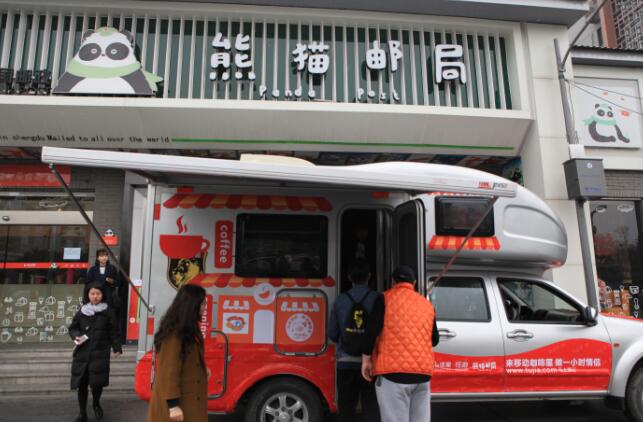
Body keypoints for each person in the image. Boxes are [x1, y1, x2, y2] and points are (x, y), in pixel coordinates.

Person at [361, 265, 440, 422]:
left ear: (392, 281)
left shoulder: (383, 299)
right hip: (422, 376)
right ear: (414, 283)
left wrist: (366, 360)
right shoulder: (427, 305)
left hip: (393, 375)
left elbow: (371, 331)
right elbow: (435, 339)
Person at [328, 260, 381, 422]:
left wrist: (346, 341)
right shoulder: (378, 299)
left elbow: (332, 332)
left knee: (346, 407)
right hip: (371, 363)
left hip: (345, 361)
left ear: (349, 277)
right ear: (369, 276)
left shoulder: (340, 300)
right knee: (371, 407)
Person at [147, 284, 209, 422]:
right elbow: (169, 370)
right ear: (191, 305)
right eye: (202, 304)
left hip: (189, 399)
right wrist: (173, 405)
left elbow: (188, 359)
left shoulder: (189, 327)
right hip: (179, 403)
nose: (204, 307)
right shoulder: (175, 333)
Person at [69, 282, 122, 422]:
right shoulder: (82, 310)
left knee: (97, 384)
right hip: (83, 352)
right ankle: (82, 413)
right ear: (88, 295)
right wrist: (76, 336)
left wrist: (116, 348)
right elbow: (73, 327)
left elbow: (114, 331)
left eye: (98, 293)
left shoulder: (108, 311)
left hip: (100, 353)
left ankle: (96, 403)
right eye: (92, 293)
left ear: (102, 295)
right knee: (82, 384)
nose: (95, 296)